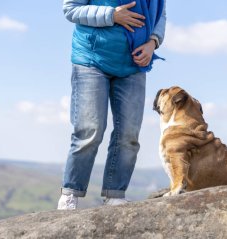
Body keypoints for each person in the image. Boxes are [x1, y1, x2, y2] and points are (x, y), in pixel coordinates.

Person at [57, 0, 166, 210]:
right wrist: (111, 15)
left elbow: (160, 15)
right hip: (91, 59)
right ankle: (71, 192)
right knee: (90, 130)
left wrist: (152, 42)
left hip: (133, 64)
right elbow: (70, 9)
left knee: (129, 134)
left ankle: (115, 194)